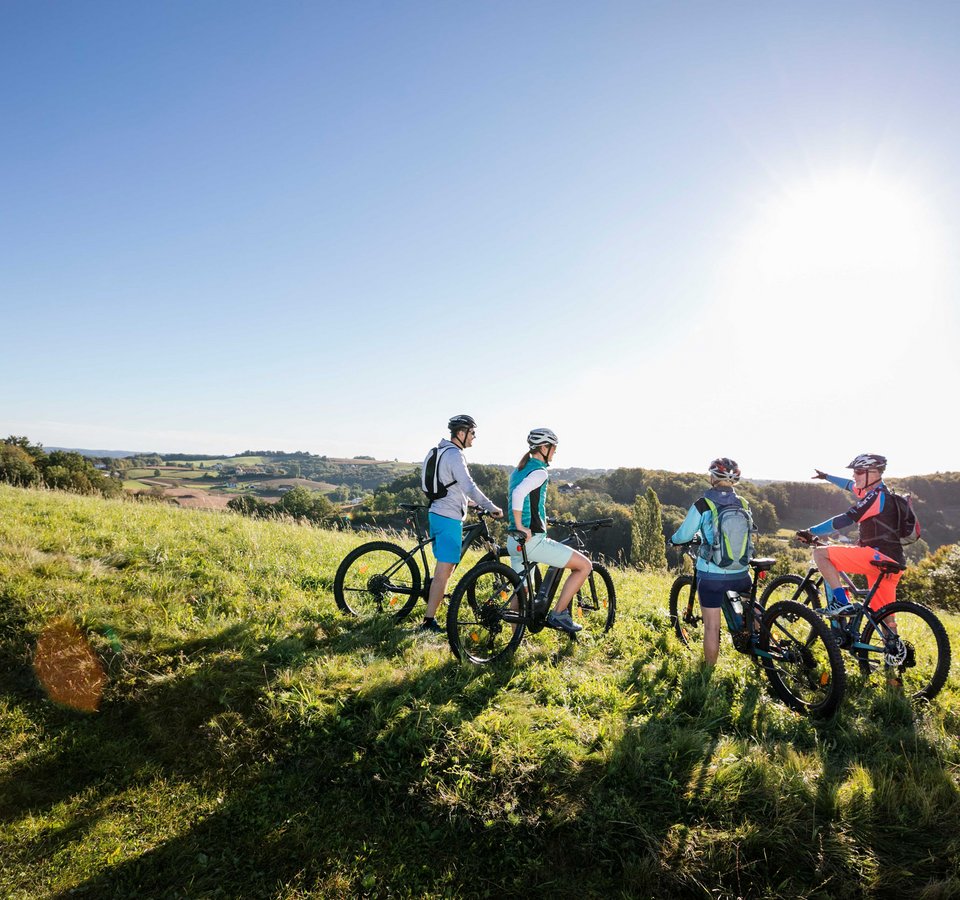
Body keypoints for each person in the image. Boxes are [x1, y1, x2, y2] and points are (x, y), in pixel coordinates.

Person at [419, 415, 502, 634]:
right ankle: (428, 622)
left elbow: (449, 486)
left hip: (437, 512)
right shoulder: (455, 455)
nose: (474, 437)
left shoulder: (438, 451)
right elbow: (468, 485)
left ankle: (436, 595)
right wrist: (490, 505)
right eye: (473, 433)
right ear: (461, 433)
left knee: (446, 568)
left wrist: (472, 504)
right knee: (443, 572)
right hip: (448, 518)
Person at [796, 453, 905, 617]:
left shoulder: (876, 496)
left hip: (876, 557)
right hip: (893, 561)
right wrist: (826, 476)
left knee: (820, 554)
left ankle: (840, 602)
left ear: (874, 472)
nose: (854, 475)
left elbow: (845, 520)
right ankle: (893, 642)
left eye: (859, 471)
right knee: (883, 616)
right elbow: (849, 485)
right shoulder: (881, 492)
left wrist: (811, 532)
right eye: (855, 471)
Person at [506, 428, 592, 636]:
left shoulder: (519, 470)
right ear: (544, 448)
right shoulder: (540, 471)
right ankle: (559, 613)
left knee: (522, 593)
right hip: (531, 540)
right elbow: (518, 495)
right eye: (553, 448)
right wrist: (521, 525)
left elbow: (522, 501)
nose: (554, 453)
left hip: (514, 542)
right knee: (584, 566)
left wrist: (520, 526)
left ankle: (515, 639)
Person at [670, 458, 754, 668]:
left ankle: (707, 673)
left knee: (712, 627)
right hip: (741, 572)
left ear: (714, 477)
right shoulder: (743, 503)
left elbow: (685, 534)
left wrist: (673, 540)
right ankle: (762, 651)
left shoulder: (703, 504)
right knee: (752, 618)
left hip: (712, 574)